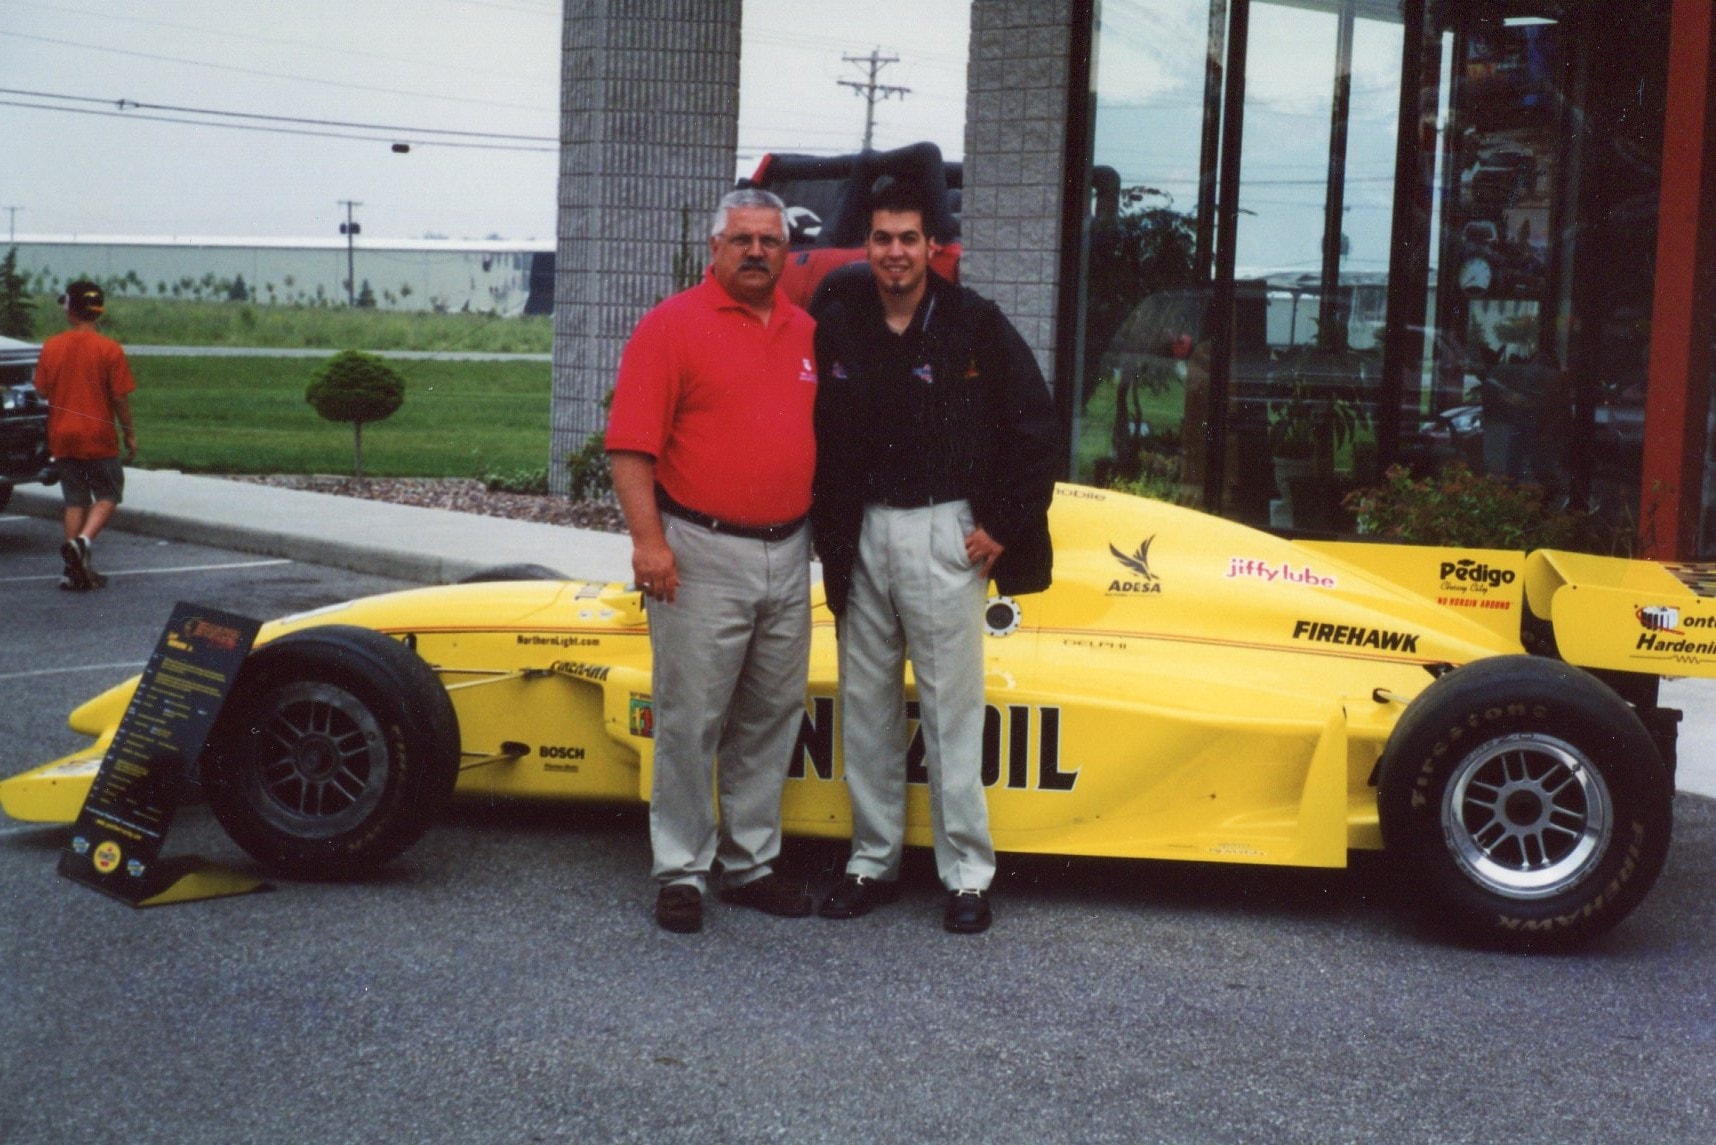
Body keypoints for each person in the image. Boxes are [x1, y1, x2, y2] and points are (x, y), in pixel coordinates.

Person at [809, 179, 1060, 934]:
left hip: (944, 531)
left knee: (952, 709)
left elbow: (1035, 424)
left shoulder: (975, 323)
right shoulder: (841, 320)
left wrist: (1005, 525)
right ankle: (871, 860)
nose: (894, 252)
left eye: (908, 238)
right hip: (863, 531)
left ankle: (967, 874)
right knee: (867, 704)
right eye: (882, 238)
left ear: (933, 247)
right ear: (869, 247)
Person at [605, 188, 819, 934]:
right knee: (692, 716)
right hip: (697, 551)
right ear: (715, 248)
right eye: (742, 240)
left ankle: (751, 862)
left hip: (789, 551)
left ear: (786, 252)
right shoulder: (671, 327)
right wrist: (648, 541)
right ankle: (682, 869)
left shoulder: (806, 332)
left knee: (769, 713)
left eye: (770, 241)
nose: (757, 252)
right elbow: (631, 447)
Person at [34, 280, 137, 591]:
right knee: (108, 493)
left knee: (75, 500)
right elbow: (120, 398)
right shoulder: (110, 349)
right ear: (97, 312)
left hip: (62, 435)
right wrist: (129, 435)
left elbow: (41, 388)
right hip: (98, 435)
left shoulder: (52, 346)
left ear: (71, 310)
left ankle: (72, 569)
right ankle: (83, 542)